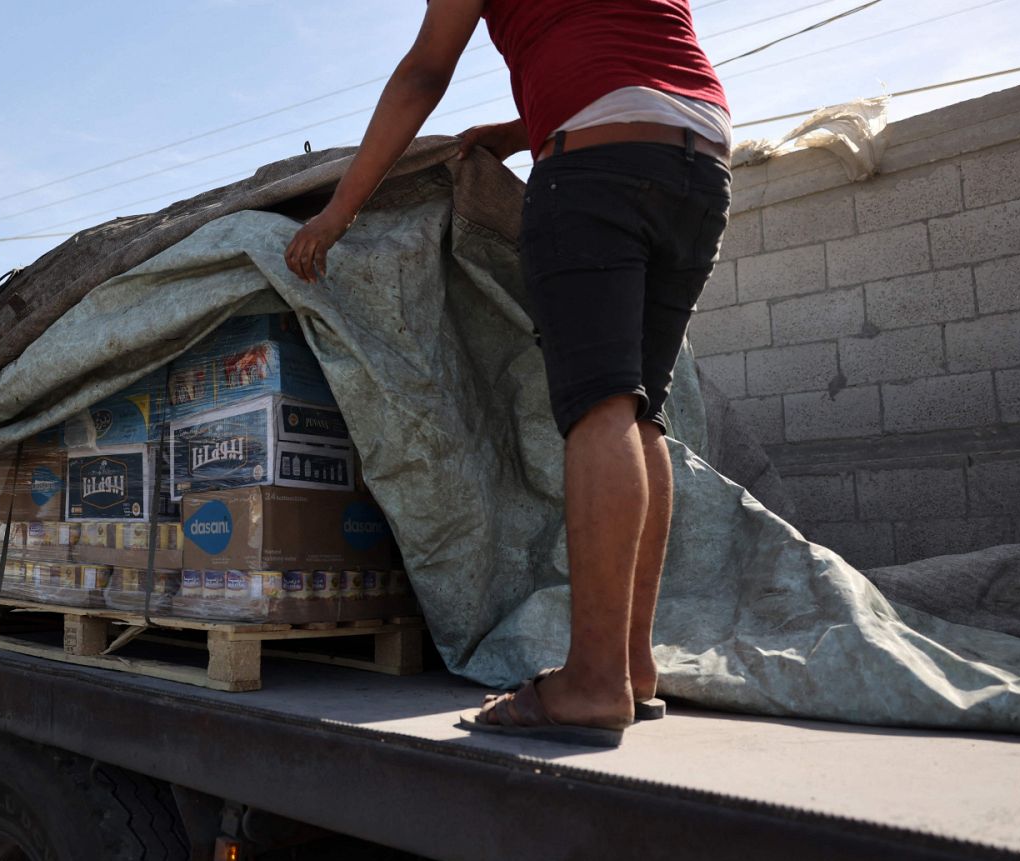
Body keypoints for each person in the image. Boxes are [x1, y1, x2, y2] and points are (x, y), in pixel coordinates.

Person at [285, 0, 731, 746]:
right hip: (699, 159)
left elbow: (426, 70)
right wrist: (519, 130)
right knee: (641, 410)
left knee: (601, 406)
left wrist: (339, 211)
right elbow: (625, 51)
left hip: (596, 166)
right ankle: (632, 665)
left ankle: (591, 683)